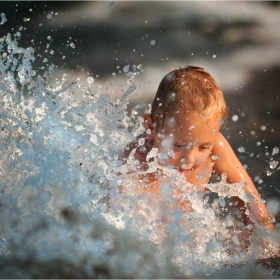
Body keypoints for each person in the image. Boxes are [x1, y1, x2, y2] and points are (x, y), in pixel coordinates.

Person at [121, 65, 274, 230]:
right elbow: (122, 223)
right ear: (151, 128)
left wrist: (264, 239)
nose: (190, 158)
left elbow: (248, 196)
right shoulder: (136, 161)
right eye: (179, 145)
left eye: (203, 147)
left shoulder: (216, 145)